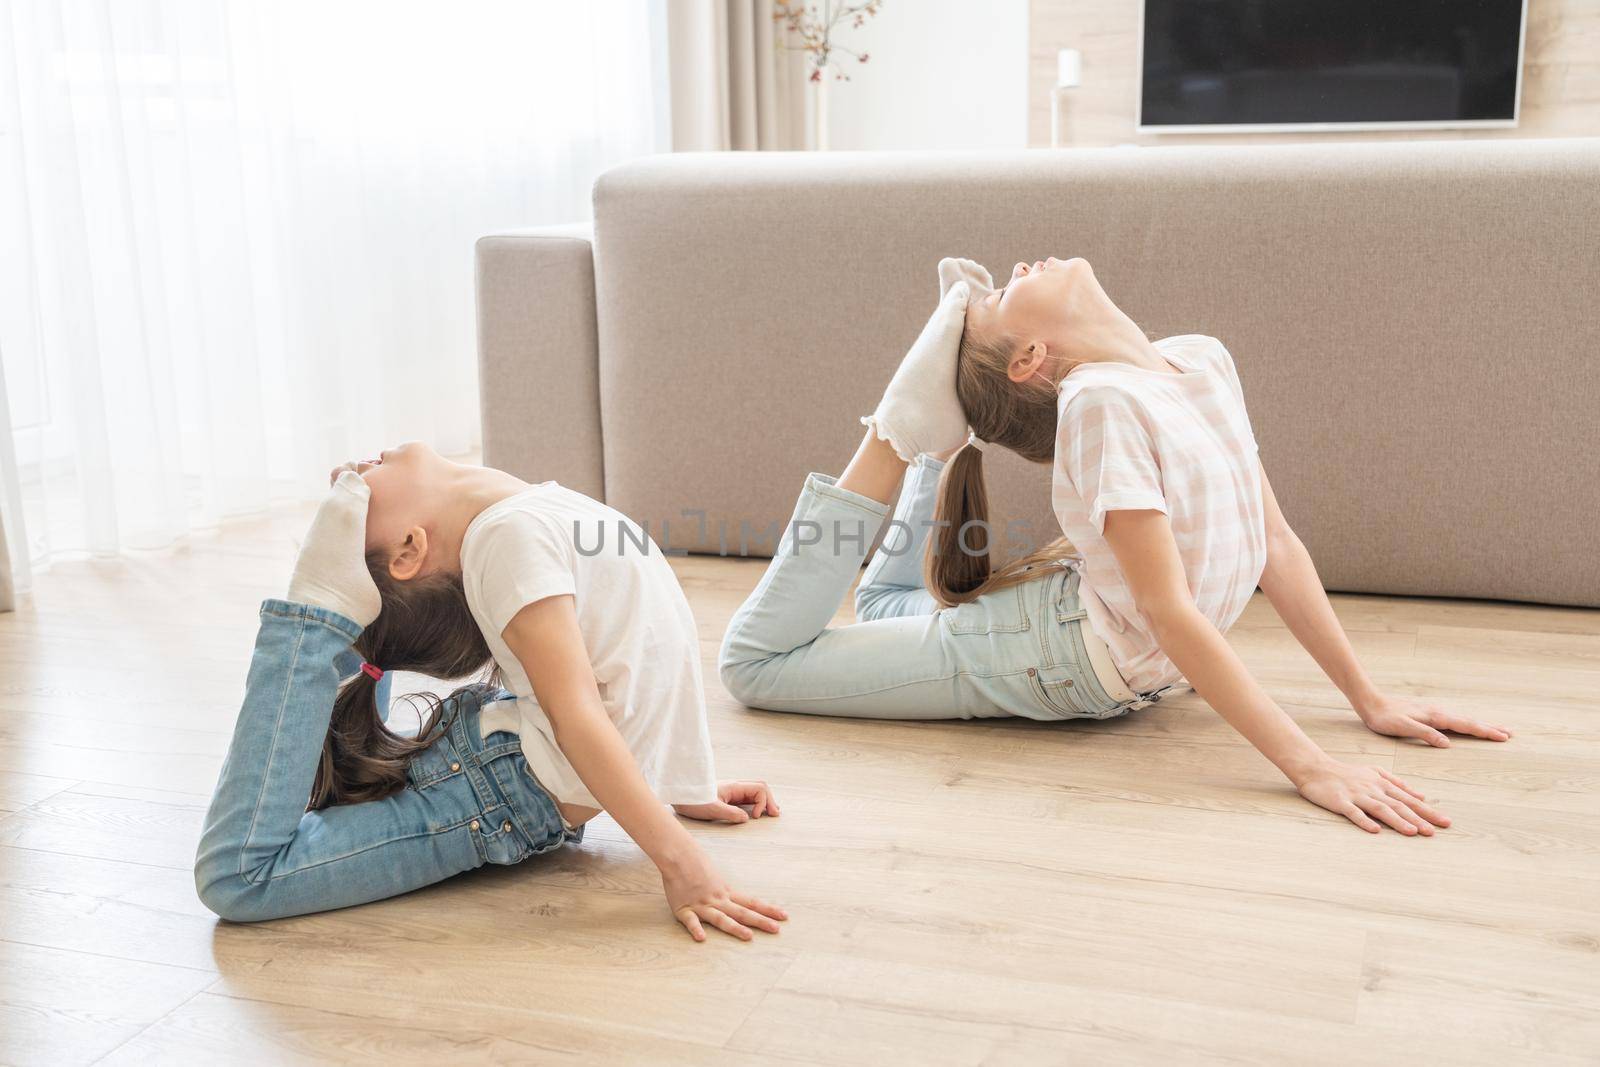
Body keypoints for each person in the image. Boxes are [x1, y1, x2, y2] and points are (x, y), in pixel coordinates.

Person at [720, 256, 1510, 837]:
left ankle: (931, 439)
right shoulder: (1099, 402)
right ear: (1029, 359)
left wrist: (1366, 699)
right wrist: (1312, 765)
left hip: (1080, 644)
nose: (1016, 267)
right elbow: (1170, 613)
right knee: (754, 664)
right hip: (1054, 650)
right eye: (1000, 294)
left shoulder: (1200, 360)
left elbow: (1274, 539)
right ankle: (901, 432)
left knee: (891, 607)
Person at [196, 453, 786, 941]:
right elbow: (576, 715)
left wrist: (680, 782)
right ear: (408, 550)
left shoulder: (528, 516)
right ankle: (316, 617)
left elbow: (643, 660)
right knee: (238, 877)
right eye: (345, 519)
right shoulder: (509, 538)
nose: (350, 477)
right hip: (488, 789)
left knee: (249, 870)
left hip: (496, 771)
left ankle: (329, 622)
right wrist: (682, 862)